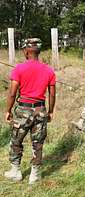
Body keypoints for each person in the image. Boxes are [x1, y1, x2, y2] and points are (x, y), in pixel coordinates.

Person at [4, 38, 56, 184]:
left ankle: (15, 172)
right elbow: (52, 94)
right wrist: (50, 112)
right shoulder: (49, 70)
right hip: (41, 110)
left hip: (23, 109)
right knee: (37, 143)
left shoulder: (19, 69)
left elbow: (12, 93)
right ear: (38, 52)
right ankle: (35, 175)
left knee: (16, 140)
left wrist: (8, 110)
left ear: (26, 52)